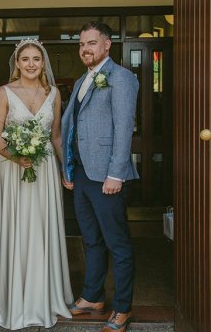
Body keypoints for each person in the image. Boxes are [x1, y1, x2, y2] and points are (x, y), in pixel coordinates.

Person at [0, 38, 73, 329]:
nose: (31, 64)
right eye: (25, 59)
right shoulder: (3, 92)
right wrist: (16, 156)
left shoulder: (54, 93)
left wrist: (65, 168)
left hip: (43, 169)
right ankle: (12, 294)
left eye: (36, 59)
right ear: (17, 63)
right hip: (14, 169)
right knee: (17, 227)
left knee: (42, 227)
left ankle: (44, 293)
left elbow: (56, 136)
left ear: (43, 63)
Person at [61, 22, 139, 332]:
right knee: (91, 240)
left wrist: (115, 174)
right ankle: (93, 297)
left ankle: (122, 308)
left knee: (117, 244)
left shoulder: (121, 78)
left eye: (92, 43)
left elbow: (123, 128)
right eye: (81, 44)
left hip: (107, 176)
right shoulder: (84, 79)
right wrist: (68, 170)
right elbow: (73, 129)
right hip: (81, 174)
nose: (85, 49)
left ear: (107, 45)